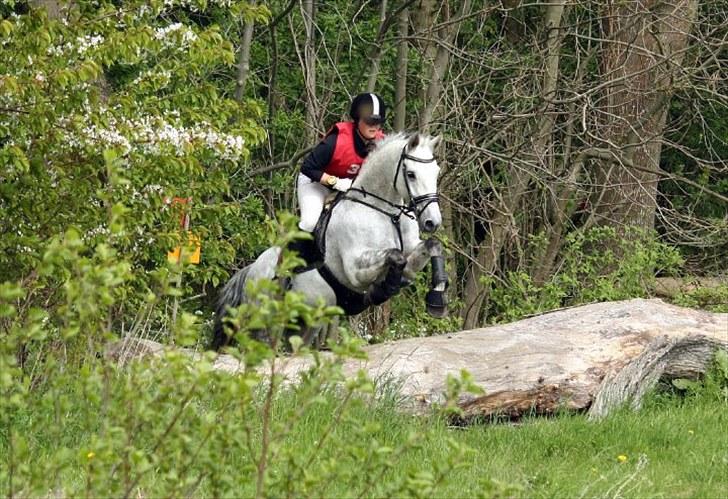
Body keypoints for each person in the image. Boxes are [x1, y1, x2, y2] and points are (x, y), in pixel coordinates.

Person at [288, 93, 387, 264]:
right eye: (370, 121)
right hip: (316, 182)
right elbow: (308, 167)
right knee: (310, 221)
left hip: (349, 187)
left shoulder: (381, 142)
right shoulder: (336, 141)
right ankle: (287, 268)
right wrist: (335, 182)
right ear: (357, 120)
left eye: (378, 122)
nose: (374, 127)